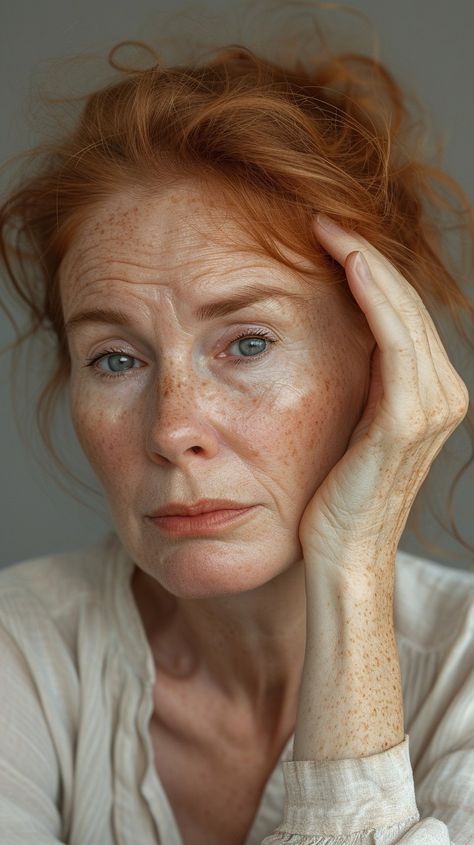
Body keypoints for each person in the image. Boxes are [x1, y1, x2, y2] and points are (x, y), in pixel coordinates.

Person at [0, 23, 473, 845]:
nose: (174, 427)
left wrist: (353, 568)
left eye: (248, 343)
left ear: (382, 360)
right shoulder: (23, 657)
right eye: (115, 358)